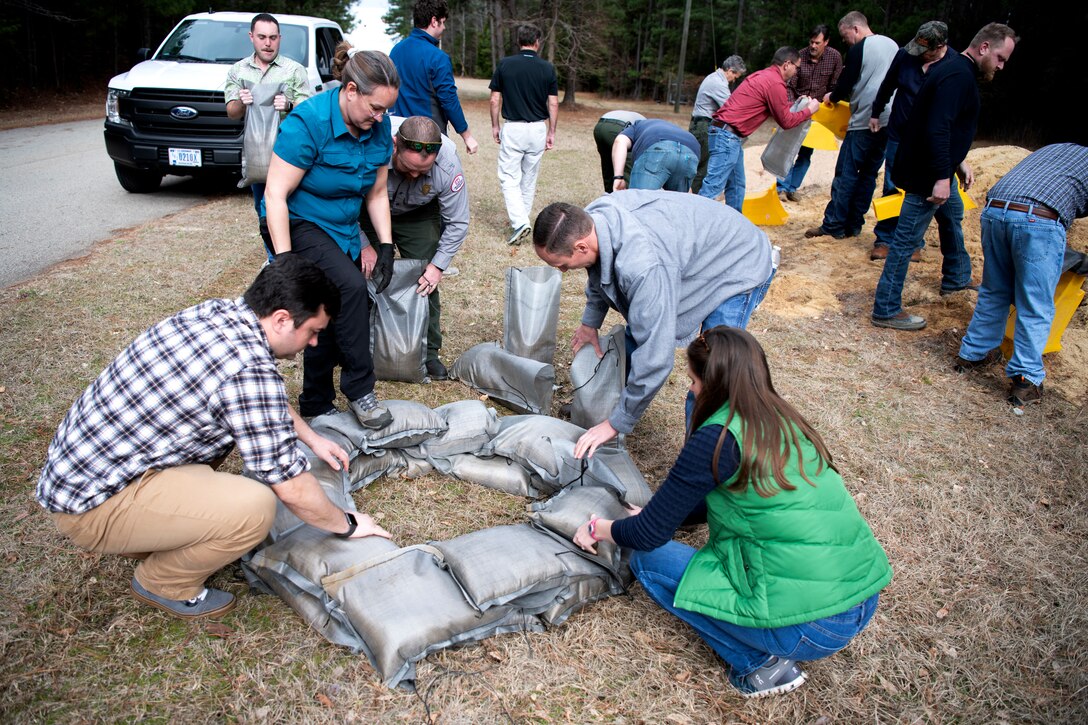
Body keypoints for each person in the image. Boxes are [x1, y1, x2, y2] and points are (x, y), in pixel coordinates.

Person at [35, 256, 392, 620]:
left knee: (223, 477)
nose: (315, 343)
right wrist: (347, 524)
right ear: (282, 319)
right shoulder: (248, 368)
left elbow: (259, 401)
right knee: (254, 508)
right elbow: (291, 486)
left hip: (93, 474)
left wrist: (312, 439)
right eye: (313, 331)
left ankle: (159, 533)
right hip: (94, 505)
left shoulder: (220, 314)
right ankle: (163, 582)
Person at [572, 326, 892, 698]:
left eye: (692, 380)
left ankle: (762, 666)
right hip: (862, 601)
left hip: (813, 626)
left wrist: (599, 529)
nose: (690, 390)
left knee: (647, 560)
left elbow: (647, 537)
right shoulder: (782, 419)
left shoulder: (717, 437)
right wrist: (657, 513)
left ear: (713, 383)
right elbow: (732, 498)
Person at [532, 192, 776, 458]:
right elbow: (597, 271)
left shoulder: (642, 266)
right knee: (635, 341)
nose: (563, 271)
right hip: (692, 250)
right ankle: (600, 408)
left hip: (737, 261)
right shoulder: (591, 221)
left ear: (581, 246)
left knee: (714, 374)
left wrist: (617, 424)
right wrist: (590, 322)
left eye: (563, 265)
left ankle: (700, 460)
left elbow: (657, 357)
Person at [263, 44, 400, 425]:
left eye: (386, 109)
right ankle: (360, 389)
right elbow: (275, 194)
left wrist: (386, 246)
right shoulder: (309, 122)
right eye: (375, 107)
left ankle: (316, 400)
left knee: (325, 306)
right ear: (351, 90)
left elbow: (375, 193)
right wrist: (287, 262)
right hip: (298, 221)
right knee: (351, 289)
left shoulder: (378, 126)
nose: (381, 116)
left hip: (341, 227)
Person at [872, 23, 1018, 331]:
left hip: (939, 170)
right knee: (905, 241)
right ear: (984, 48)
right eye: (1001, 58)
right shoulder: (957, 76)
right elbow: (936, 127)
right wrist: (940, 176)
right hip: (928, 176)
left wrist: (958, 162)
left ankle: (956, 280)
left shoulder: (953, 69)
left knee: (952, 219)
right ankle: (885, 308)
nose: (1002, 66)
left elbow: (944, 124)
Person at [955, 144, 1088, 407]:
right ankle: (1025, 379)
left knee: (994, 290)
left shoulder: (1058, 149)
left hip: (994, 211)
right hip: (1038, 220)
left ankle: (972, 355)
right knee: (1035, 304)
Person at [359, 115, 469, 380]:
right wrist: (363, 245)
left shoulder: (447, 164)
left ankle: (428, 352)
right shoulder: (371, 145)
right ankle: (362, 347)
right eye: (407, 169)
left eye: (423, 172)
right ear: (395, 145)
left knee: (425, 281)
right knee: (364, 276)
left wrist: (437, 266)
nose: (414, 176)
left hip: (419, 212)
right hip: (370, 209)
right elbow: (343, 201)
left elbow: (458, 222)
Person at [804, 11, 897, 240]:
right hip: (891, 120)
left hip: (864, 120)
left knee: (846, 173)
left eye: (846, 37)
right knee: (868, 175)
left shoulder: (860, 48)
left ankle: (834, 225)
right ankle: (854, 224)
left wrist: (831, 97)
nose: (846, 42)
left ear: (855, 29)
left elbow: (845, 84)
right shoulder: (894, 46)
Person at [868, 21, 955, 261]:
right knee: (892, 186)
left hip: (929, 141)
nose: (918, 54)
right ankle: (884, 239)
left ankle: (913, 243)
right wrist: (876, 112)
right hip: (899, 134)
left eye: (925, 50)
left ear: (940, 47)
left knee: (921, 192)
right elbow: (888, 85)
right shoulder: (905, 55)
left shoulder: (953, 65)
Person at [698, 47, 819, 212]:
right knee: (712, 188)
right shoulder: (775, 83)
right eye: (796, 67)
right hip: (727, 137)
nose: (796, 71)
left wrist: (799, 105)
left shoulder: (764, 76)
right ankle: (693, 227)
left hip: (728, 135)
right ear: (787, 64)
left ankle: (736, 227)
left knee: (736, 185)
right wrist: (809, 111)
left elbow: (780, 108)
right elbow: (786, 121)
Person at [225, 13, 313, 217]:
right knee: (263, 208)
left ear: (279, 38)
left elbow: (308, 110)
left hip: (288, 149)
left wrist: (289, 105)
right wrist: (241, 102)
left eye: (273, 38)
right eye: (262, 37)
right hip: (258, 152)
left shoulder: (293, 70)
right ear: (251, 36)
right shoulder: (239, 70)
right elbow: (231, 112)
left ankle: (287, 246)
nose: (267, 43)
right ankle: (274, 248)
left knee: (290, 206)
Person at [489, 24, 559, 245]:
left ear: (518, 41)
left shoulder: (505, 65)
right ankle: (521, 221)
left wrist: (495, 125)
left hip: (514, 127)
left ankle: (520, 223)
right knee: (529, 178)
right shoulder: (547, 68)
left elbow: (494, 100)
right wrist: (552, 131)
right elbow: (554, 103)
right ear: (537, 42)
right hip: (538, 128)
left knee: (509, 177)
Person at [389, 0, 479, 155]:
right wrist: (467, 136)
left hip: (398, 135)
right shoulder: (438, 57)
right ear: (433, 21)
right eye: (442, 22)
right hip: (426, 139)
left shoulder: (395, 51)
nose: (444, 27)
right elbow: (449, 100)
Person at [777, 25, 842, 201]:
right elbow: (789, 85)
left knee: (806, 153)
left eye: (817, 43)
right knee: (788, 149)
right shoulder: (799, 56)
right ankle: (781, 188)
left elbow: (835, 86)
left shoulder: (835, 57)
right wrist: (792, 106)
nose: (813, 46)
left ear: (826, 42)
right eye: (811, 42)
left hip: (818, 113)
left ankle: (792, 187)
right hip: (797, 107)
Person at [689, 56, 746, 195]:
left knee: (699, 166)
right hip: (704, 126)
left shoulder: (713, 77)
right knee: (704, 169)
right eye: (735, 76)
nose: (734, 80)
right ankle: (695, 200)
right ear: (730, 71)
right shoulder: (718, 84)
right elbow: (731, 108)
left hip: (699, 124)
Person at [611, 119, 700, 192]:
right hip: (691, 151)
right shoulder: (667, 127)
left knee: (640, 204)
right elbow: (688, 191)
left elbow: (620, 141)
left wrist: (618, 177)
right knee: (677, 207)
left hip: (658, 146)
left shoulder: (636, 125)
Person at [593, 110, 645, 192]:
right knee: (626, 170)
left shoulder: (645, 123)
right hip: (619, 127)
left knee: (608, 166)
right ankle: (625, 200)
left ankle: (608, 199)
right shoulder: (648, 132)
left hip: (600, 126)